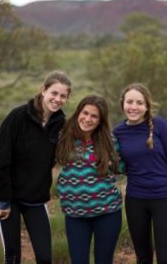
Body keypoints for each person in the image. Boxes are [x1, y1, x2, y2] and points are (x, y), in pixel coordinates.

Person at [0, 70, 72, 264]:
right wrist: (4, 200)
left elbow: (57, 159)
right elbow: (0, 159)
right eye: (54, 93)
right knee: (12, 256)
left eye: (63, 96)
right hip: (7, 195)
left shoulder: (61, 125)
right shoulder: (18, 116)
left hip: (35, 198)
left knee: (44, 257)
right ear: (43, 91)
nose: (57, 99)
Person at [113, 83, 167, 264]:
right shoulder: (118, 132)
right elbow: (117, 165)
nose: (134, 107)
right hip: (135, 200)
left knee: (165, 258)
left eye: (139, 103)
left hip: (165, 199)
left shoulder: (160, 126)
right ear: (122, 104)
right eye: (129, 102)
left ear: (147, 106)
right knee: (143, 257)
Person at [55, 95, 124, 264]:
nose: (87, 119)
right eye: (85, 113)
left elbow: (120, 169)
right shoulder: (63, 137)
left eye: (94, 116)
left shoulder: (109, 140)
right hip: (75, 213)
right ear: (78, 112)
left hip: (107, 212)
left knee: (103, 260)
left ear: (100, 120)